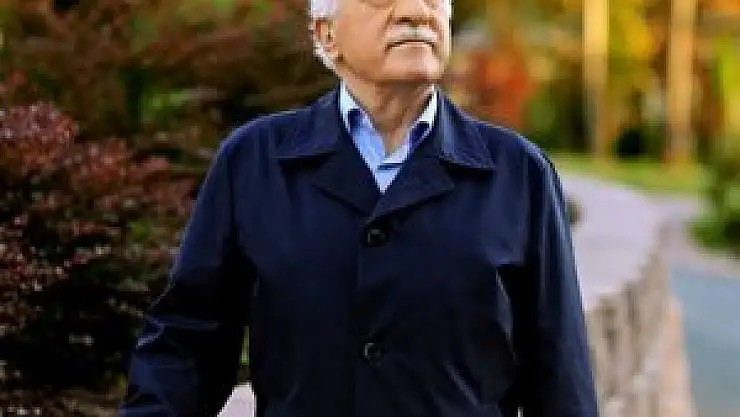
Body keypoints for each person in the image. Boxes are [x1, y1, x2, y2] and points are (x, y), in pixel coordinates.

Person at [118, 0, 599, 415]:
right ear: (326, 34)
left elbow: (559, 377)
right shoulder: (254, 161)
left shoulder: (519, 173)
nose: (415, 12)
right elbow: (186, 348)